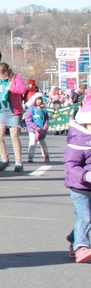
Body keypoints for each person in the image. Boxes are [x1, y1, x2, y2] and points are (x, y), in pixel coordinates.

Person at [63, 91, 91, 263]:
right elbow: (70, 166)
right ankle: (81, 246)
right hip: (79, 187)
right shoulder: (78, 141)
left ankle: (75, 238)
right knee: (85, 217)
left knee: (86, 218)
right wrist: (85, 175)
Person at [0, 63, 26, 173]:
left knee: (14, 137)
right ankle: (4, 158)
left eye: (2, 75)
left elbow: (22, 90)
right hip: (2, 111)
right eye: (0, 76)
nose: (1, 77)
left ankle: (18, 162)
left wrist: (10, 87)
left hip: (14, 112)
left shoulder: (16, 78)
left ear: (7, 72)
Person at [24, 92, 50, 163]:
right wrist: (35, 127)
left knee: (43, 143)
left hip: (41, 130)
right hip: (32, 130)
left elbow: (46, 118)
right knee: (32, 142)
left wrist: (46, 124)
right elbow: (28, 120)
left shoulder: (43, 109)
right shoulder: (31, 109)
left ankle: (46, 155)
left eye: (40, 99)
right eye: (37, 99)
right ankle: (30, 156)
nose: (39, 101)